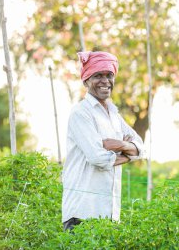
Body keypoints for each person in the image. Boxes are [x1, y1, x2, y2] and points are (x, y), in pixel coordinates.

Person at [62, 51, 145, 231]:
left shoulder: (114, 115)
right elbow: (98, 158)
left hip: (109, 213)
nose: (105, 81)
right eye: (98, 76)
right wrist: (128, 155)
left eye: (109, 75)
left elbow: (141, 149)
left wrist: (121, 145)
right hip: (82, 213)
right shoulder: (81, 113)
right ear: (86, 81)